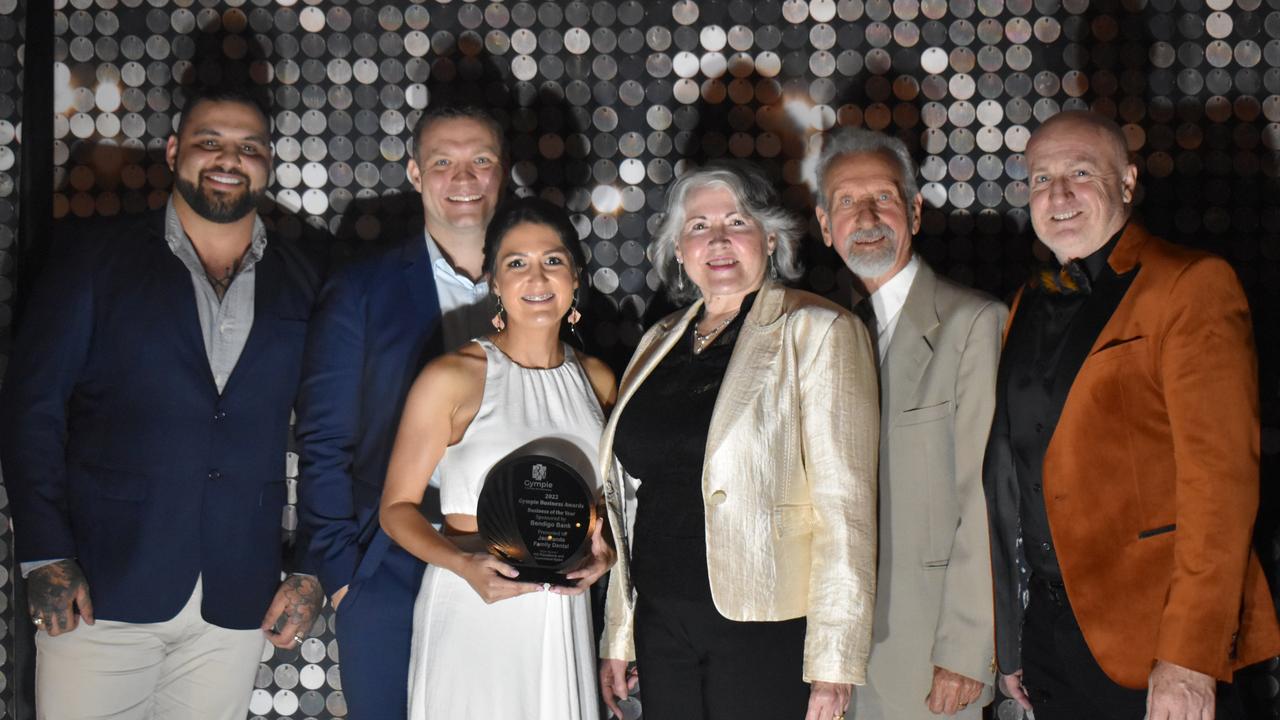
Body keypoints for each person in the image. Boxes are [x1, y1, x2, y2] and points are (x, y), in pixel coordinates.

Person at [0, 86, 324, 720]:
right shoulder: (92, 259)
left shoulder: (306, 275)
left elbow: (329, 433)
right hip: (99, 586)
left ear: (268, 162)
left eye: (248, 147)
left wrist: (310, 566)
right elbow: (31, 409)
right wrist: (45, 552)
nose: (228, 159)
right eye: (209, 142)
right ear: (175, 151)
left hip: (238, 594)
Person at [984, 110, 1280, 720]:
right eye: (1041, 180)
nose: (1058, 195)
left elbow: (1221, 488)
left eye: (1081, 172)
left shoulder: (1191, 284)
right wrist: (1013, 637)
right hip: (1049, 641)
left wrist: (1190, 657)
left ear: (1127, 182)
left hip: (1156, 648)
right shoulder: (1027, 300)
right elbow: (1012, 477)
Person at [598, 161, 879, 720]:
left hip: (764, 625)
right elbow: (629, 501)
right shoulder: (657, 340)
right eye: (698, 226)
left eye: (737, 221)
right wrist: (620, 633)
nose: (718, 240)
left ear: (770, 237)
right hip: (661, 622)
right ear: (679, 249)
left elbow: (845, 508)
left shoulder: (819, 330)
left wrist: (834, 663)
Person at [295, 103, 506, 719]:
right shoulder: (362, 289)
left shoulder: (542, 286)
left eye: (480, 160)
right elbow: (323, 438)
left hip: (508, 554)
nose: (463, 179)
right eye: (443, 162)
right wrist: (343, 575)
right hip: (387, 563)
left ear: (503, 171)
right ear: (416, 174)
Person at [377, 196, 617, 718]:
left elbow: (605, 506)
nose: (537, 277)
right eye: (517, 263)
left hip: (562, 612)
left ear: (576, 277)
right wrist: (464, 566)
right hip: (473, 601)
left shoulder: (598, 381)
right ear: (495, 282)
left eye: (553, 261)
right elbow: (395, 510)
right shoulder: (453, 377)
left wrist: (607, 554)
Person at [813, 128, 1005, 719]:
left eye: (884, 198)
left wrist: (967, 651)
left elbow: (986, 499)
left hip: (927, 659)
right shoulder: (814, 330)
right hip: (827, 661)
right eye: (847, 201)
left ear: (915, 211)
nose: (866, 216)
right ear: (824, 226)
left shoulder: (974, 323)